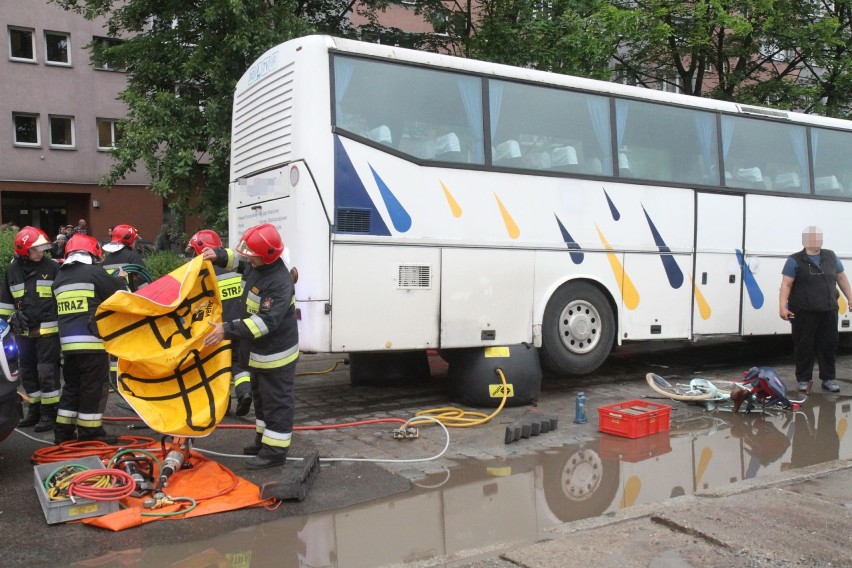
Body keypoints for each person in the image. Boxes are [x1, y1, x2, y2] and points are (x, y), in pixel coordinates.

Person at [202, 223, 298, 469]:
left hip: (275, 357)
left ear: (265, 256)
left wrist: (227, 328)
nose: (247, 258)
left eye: (251, 254)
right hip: (260, 354)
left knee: (276, 404)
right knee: (262, 401)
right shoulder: (260, 267)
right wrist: (218, 254)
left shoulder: (278, 283)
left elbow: (264, 323)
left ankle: (275, 453)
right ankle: (263, 442)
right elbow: (240, 262)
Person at [52, 234, 127, 444]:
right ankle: (90, 433)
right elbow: (122, 295)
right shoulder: (94, 273)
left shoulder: (60, 278)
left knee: (71, 387)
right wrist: (122, 278)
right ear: (92, 253)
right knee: (92, 389)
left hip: (68, 345)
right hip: (92, 344)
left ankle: (62, 433)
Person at [0, 227, 62, 432]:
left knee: (47, 373)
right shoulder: (12, 270)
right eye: (36, 249)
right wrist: (11, 317)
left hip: (47, 333)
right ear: (23, 250)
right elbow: (5, 303)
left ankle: (49, 413)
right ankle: (34, 411)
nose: (41, 252)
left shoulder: (52, 267)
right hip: (23, 333)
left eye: (43, 248)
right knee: (27, 373)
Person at [186, 229, 253, 416]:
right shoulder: (235, 266)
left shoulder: (202, 272)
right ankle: (245, 393)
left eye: (194, 250)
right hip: (241, 324)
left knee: (220, 365)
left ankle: (224, 404)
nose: (192, 255)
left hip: (218, 328)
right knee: (240, 363)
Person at [779, 226, 852, 393]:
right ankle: (804, 380)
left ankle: (829, 378)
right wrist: (782, 306)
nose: (815, 241)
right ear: (804, 241)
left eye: (817, 238)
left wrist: (850, 297)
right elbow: (786, 284)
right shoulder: (794, 260)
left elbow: (841, 278)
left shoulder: (831, 256)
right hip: (804, 311)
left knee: (829, 345)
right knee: (804, 345)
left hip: (829, 309)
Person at [103, 224, 147, 290]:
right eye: (134, 239)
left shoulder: (106, 260)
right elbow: (143, 279)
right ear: (130, 240)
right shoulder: (132, 256)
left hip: (112, 298)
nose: (135, 242)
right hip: (128, 297)